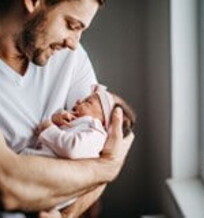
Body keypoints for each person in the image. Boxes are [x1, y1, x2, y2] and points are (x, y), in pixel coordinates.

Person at [0, 0, 135, 217]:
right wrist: (107, 169)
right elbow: (8, 185)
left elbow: (102, 142)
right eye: (71, 25)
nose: (74, 43)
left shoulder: (71, 57)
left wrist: (65, 215)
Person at [20, 84, 136, 216]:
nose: (78, 101)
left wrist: (49, 129)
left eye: (88, 102)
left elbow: (72, 148)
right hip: (41, 174)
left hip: (52, 181)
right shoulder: (81, 124)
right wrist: (55, 120)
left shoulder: (96, 132)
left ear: (104, 120)